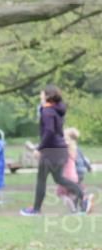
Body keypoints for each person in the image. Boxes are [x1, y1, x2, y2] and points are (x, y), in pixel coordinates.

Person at [21, 85, 85, 216]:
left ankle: (36, 210)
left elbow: (49, 132)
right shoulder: (56, 110)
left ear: (47, 96)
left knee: (41, 179)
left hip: (51, 151)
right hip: (60, 150)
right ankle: (83, 198)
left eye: (41, 94)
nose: (40, 96)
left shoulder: (47, 111)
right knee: (59, 179)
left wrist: (40, 148)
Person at [56, 127, 94, 214]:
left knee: (63, 193)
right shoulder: (75, 147)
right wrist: (89, 167)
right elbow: (83, 159)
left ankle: (83, 201)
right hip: (78, 174)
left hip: (71, 173)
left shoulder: (65, 149)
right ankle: (80, 206)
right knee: (73, 191)